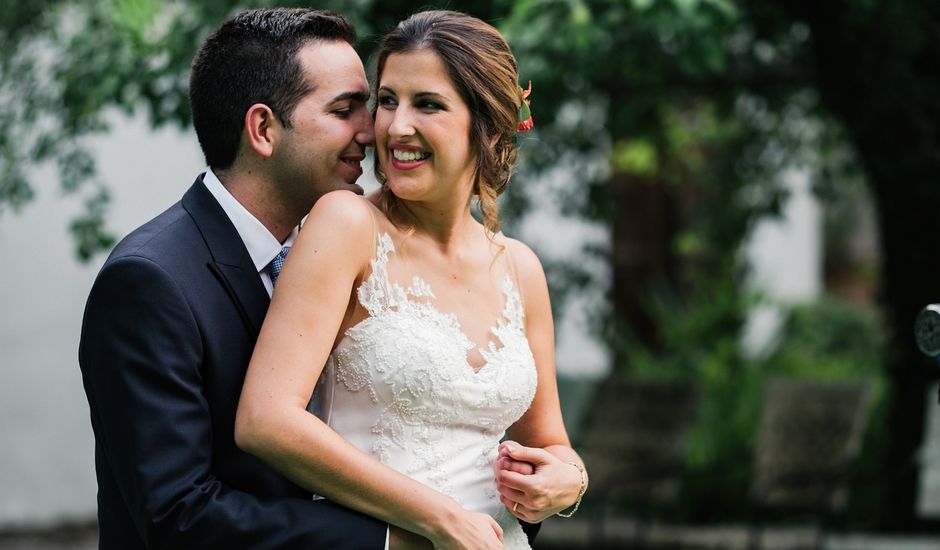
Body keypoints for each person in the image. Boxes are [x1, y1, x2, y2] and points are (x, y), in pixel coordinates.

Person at [236, 10, 588, 550]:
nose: (396, 127)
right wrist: (440, 519)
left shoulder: (520, 267)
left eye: (428, 105)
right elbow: (265, 419)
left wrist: (567, 482)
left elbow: (550, 443)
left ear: (488, 125)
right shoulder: (346, 224)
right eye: (388, 100)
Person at [78, 8, 409, 548]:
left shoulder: (338, 257)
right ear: (263, 129)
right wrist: (387, 539)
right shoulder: (148, 283)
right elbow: (178, 513)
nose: (372, 132)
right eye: (346, 110)